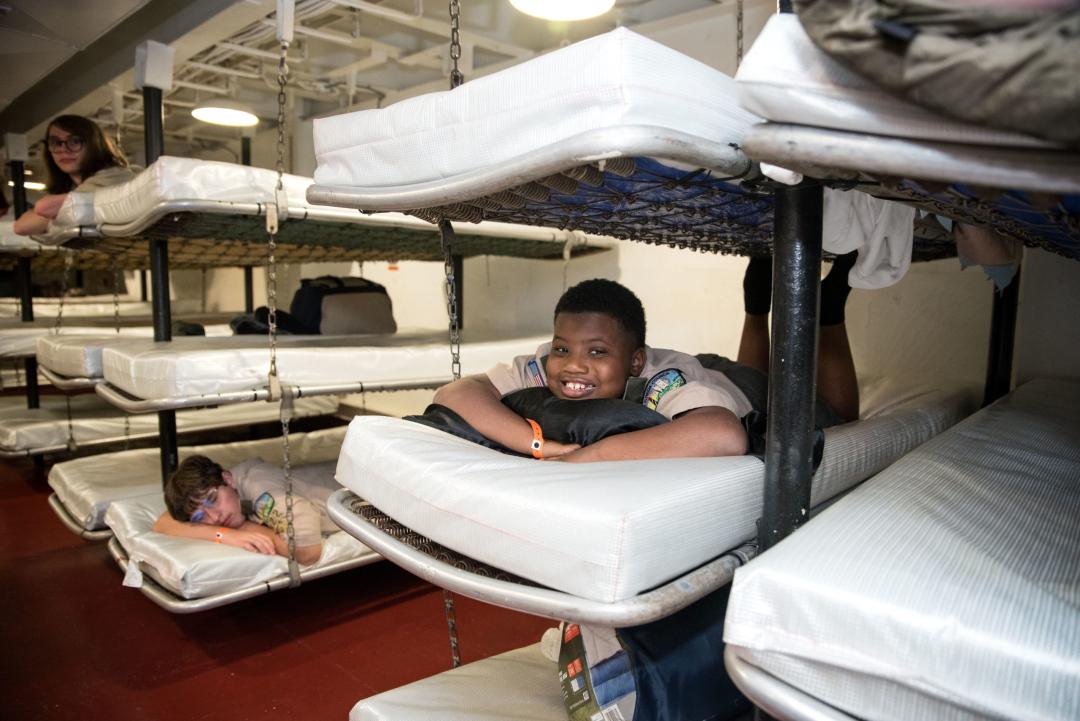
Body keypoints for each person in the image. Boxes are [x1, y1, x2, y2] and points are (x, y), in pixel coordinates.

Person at [434, 267, 858, 463]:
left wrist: (591, 456)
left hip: (727, 387)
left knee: (834, 415)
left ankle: (831, 310)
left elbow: (725, 434)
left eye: (597, 352)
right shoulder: (548, 364)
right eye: (564, 349)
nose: (573, 367)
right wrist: (539, 445)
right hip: (701, 375)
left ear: (634, 361)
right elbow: (455, 394)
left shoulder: (662, 379)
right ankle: (754, 306)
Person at [153, 455, 339, 565]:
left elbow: (307, 553)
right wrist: (227, 534)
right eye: (201, 516)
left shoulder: (257, 489)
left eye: (213, 499)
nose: (215, 517)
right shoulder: (223, 486)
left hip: (359, 493)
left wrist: (244, 528)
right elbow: (163, 523)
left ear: (228, 479)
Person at [13, 114, 136, 236]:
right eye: (55, 142)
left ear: (94, 144)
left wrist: (55, 214)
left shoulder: (112, 177)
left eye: (74, 141)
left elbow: (42, 209)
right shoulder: (76, 187)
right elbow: (21, 225)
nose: (63, 149)